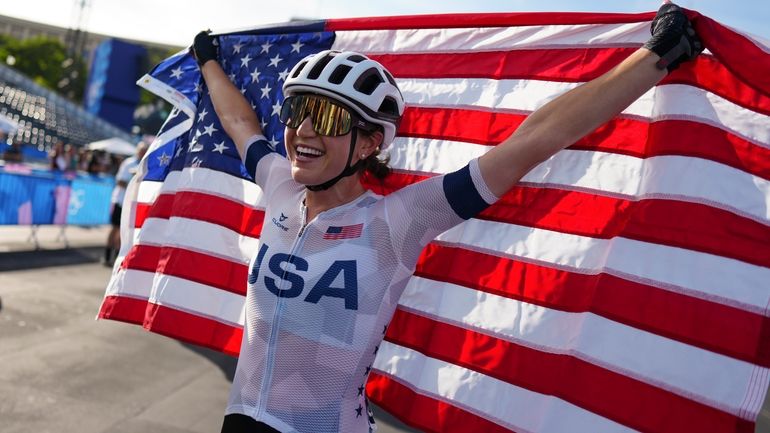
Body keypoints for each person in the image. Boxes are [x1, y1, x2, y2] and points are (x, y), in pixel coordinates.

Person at [192, 4, 702, 432]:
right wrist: (209, 61)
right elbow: (240, 122)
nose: (303, 130)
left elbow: (534, 141)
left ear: (370, 143)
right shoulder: (280, 183)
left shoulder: (397, 220)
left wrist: (655, 58)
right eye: (297, 111)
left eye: (326, 119)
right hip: (240, 420)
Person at [104, 142, 148, 266]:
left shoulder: (145, 164)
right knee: (115, 229)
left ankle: (116, 258)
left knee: (123, 231)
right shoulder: (129, 163)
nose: (143, 153)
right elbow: (119, 181)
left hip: (131, 203)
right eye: (141, 151)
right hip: (121, 200)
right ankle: (107, 256)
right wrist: (133, 182)